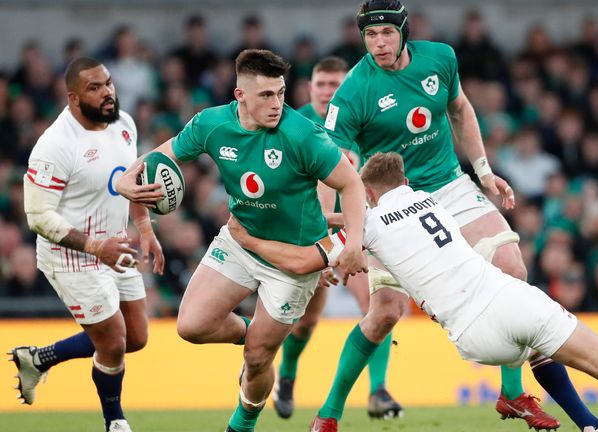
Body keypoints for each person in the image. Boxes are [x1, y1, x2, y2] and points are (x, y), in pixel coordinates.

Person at [228, 152, 598, 432]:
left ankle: (587, 426)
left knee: (535, 348)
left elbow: (332, 247)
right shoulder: (431, 201)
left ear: (371, 192)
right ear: (404, 180)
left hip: (471, 339)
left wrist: (257, 235)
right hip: (504, 299)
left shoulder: (370, 226)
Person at [316, 0, 561, 429]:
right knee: (386, 313)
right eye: (370, 35)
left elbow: (461, 109)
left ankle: (512, 393)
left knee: (511, 268)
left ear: (404, 31)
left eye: (387, 33)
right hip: (392, 200)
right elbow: (334, 168)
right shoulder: (353, 92)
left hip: (449, 185)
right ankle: (329, 414)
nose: (378, 43)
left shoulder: (441, 58)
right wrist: (330, 233)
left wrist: (483, 171)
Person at [114, 49, 367, 432]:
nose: (277, 104)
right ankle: (254, 331)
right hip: (239, 239)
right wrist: (123, 186)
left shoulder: (304, 135)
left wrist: (352, 243)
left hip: (293, 259)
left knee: (259, 360)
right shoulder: (211, 125)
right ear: (240, 96)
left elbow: (351, 184)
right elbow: (149, 164)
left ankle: (242, 423)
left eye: (281, 93)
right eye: (266, 95)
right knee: (192, 326)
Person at [9, 57, 165, 432]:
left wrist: (144, 228)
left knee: (137, 337)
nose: (108, 92)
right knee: (112, 343)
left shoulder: (124, 124)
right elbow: (39, 217)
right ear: (74, 99)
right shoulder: (55, 145)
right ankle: (115, 421)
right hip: (72, 257)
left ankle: (39, 357)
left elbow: (131, 182)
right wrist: (96, 248)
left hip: (115, 246)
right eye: (95, 88)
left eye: (108, 83)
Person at [272, 56, 402, 420]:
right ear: (309, 88)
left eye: (335, 85)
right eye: (322, 84)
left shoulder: (357, 122)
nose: (329, 91)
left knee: (377, 302)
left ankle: (378, 390)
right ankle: (286, 375)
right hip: (306, 232)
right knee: (305, 321)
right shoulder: (289, 122)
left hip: (353, 229)